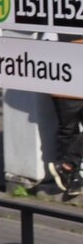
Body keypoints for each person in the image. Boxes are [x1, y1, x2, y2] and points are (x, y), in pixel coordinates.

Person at [49, 35, 83, 201]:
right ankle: (72, 177)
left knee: (68, 132)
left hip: (67, 78)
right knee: (69, 131)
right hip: (66, 80)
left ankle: (67, 166)